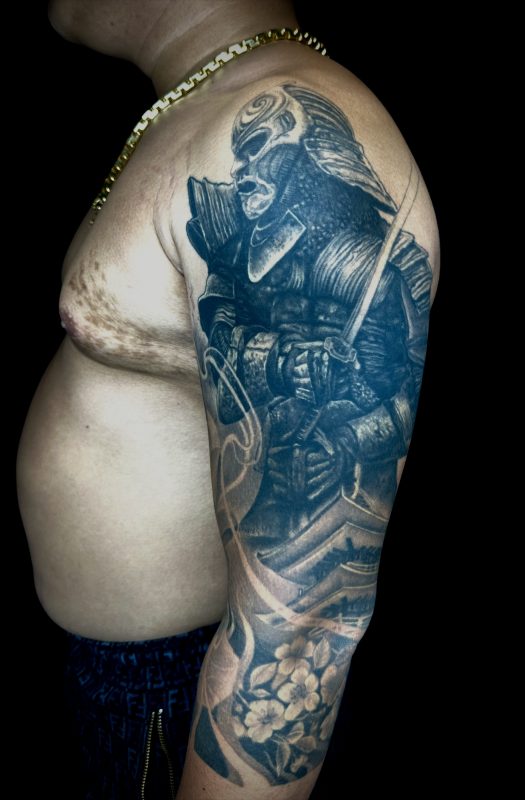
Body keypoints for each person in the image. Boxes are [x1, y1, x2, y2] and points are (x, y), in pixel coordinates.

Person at [16, 1, 439, 798]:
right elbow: (230, 330)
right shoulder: (212, 116)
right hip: (123, 680)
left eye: (265, 161)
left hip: (196, 697)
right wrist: (274, 356)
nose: (249, 178)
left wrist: (324, 398)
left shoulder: (314, 170)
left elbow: (306, 623)